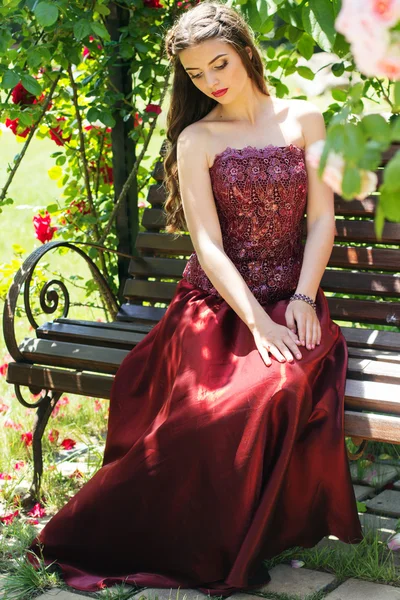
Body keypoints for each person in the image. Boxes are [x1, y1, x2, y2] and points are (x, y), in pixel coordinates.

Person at [26, 1, 364, 597]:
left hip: (296, 299)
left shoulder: (306, 120)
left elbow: (320, 221)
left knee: (281, 387)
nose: (213, 80)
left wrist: (304, 299)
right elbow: (208, 244)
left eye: (220, 63)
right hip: (217, 307)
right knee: (225, 405)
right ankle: (190, 540)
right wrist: (258, 322)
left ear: (245, 49)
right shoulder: (196, 137)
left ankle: (252, 535)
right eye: (197, 73)